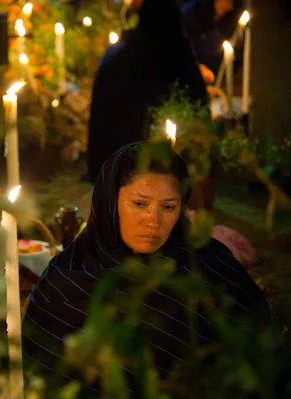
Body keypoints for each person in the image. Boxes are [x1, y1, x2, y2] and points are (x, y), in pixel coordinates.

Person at [23, 142, 269, 396]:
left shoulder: (210, 266)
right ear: (110, 201)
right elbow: (42, 373)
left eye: (169, 207)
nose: (154, 221)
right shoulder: (69, 277)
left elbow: (259, 359)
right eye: (140, 204)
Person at [84, 0, 208, 182]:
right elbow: (199, 107)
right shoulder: (178, 58)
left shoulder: (118, 54)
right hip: (131, 160)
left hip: (113, 163)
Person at [181, 0, 237, 77]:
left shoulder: (224, 21)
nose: (229, 7)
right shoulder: (191, 14)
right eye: (227, 1)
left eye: (231, 2)